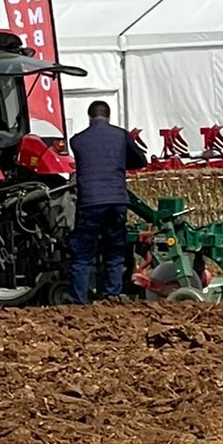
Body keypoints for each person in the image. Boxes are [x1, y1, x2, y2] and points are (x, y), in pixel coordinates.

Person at [67, 100, 148, 302]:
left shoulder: (77, 140)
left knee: (83, 253)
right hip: (116, 200)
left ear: (89, 117)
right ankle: (112, 293)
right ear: (109, 116)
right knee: (115, 249)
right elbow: (141, 160)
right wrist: (120, 162)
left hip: (89, 202)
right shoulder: (121, 135)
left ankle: (79, 299)